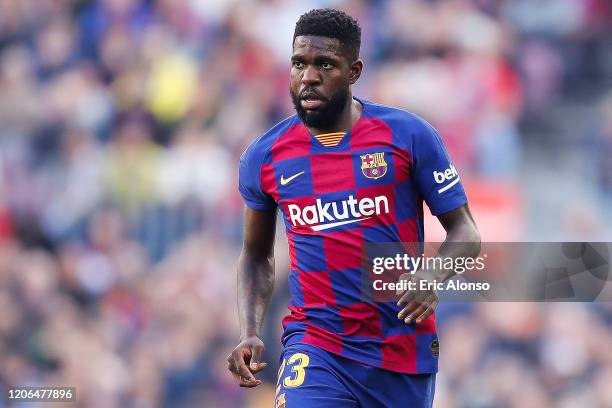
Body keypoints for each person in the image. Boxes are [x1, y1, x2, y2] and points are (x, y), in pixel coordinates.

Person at [227, 8, 480, 407]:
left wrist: (431, 274)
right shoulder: (264, 156)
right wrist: (250, 330)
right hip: (315, 346)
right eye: (299, 63)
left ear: (354, 71)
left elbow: (466, 233)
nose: (308, 77)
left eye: (324, 64)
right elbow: (256, 255)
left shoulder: (407, 136)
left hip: (399, 351)